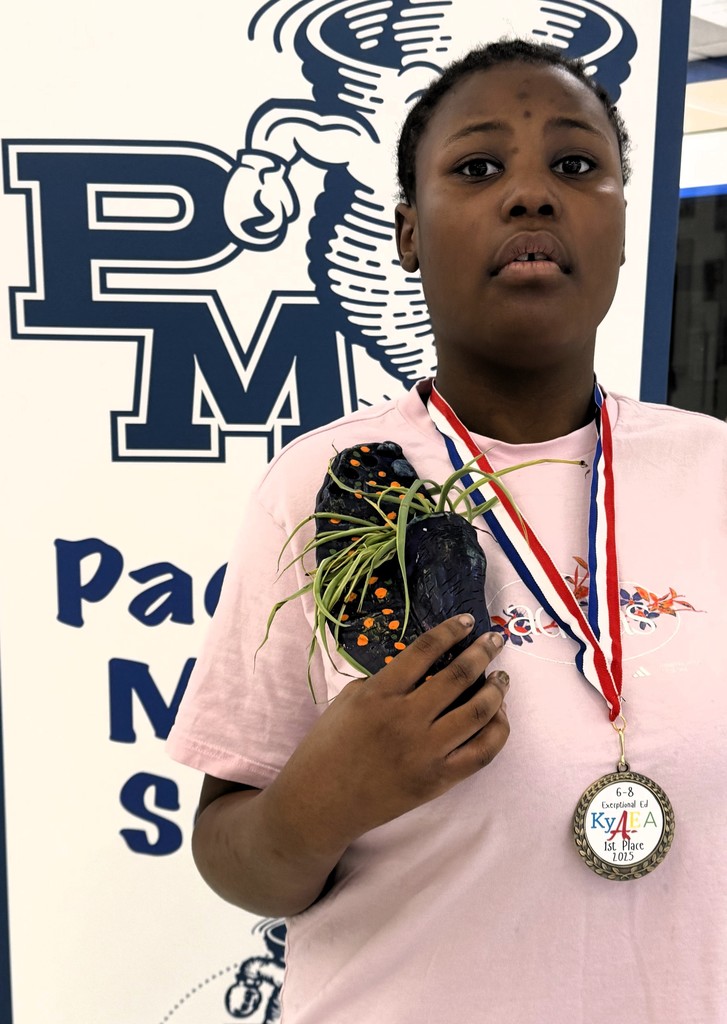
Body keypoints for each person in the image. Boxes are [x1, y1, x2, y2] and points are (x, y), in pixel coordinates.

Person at [168, 39, 727, 1023]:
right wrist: (319, 800)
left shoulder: (713, 473)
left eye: (575, 165)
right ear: (406, 233)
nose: (531, 195)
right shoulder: (322, 486)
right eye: (476, 167)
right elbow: (232, 855)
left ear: (622, 226)